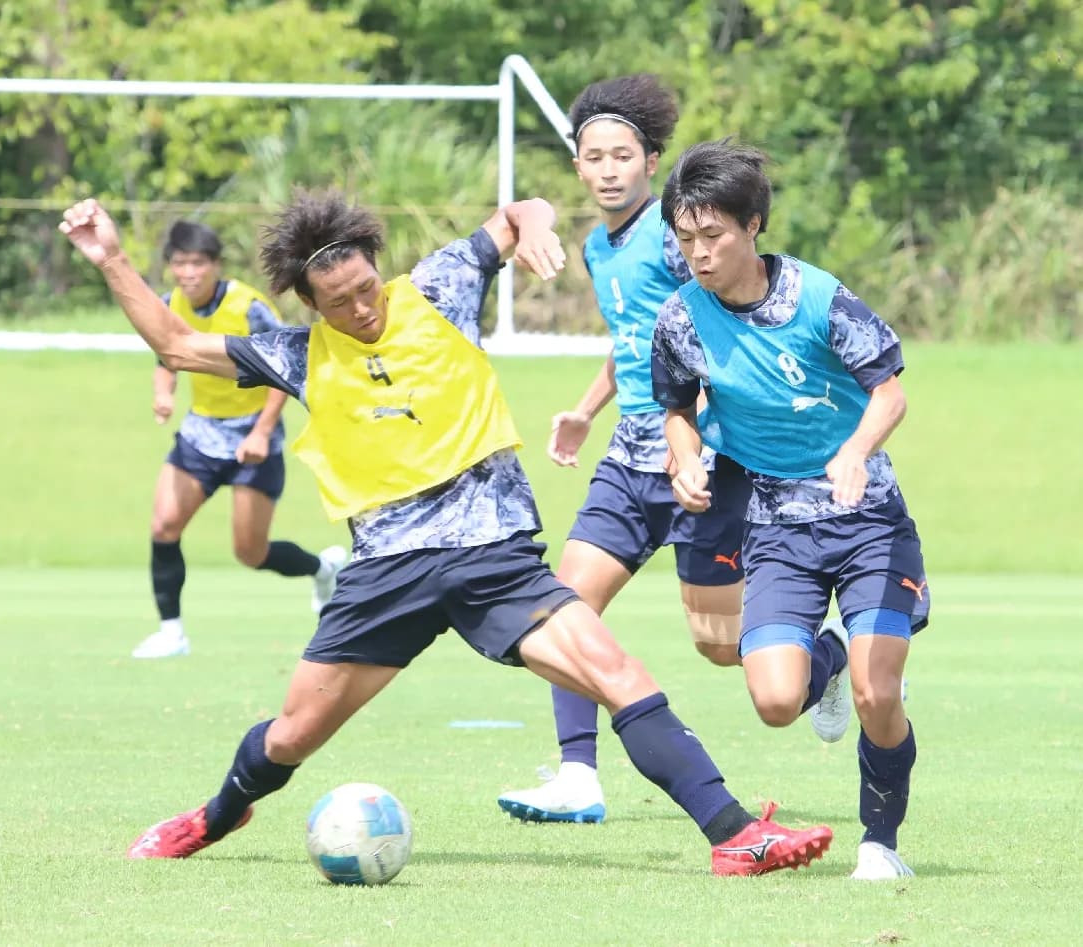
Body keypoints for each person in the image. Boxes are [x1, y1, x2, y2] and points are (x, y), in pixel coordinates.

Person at [59, 191, 832, 877]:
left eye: (366, 288)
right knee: (292, 735)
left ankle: (733, 835)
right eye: (339, 304)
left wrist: (532, 226)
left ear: (376, 267)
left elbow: (520, 210)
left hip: (494, 555)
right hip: (386, 573)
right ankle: (215, 816)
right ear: (311, 305)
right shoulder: (296, 354)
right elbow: (172, 343)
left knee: (615, 668)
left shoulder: (438, 285)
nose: (362, 309)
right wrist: (114, 257)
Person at [651, 140, 929, 880]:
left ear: (753, 225)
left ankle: (880, 844)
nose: (700, 254)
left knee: (880, 693)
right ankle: (826, 660)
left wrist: (856, 450)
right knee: (776, 700)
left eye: (713, 236)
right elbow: (675, 407)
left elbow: (890, 390)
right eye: (685, 240)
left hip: (867, 518)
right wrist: (682, 458)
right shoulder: (679, 318)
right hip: (775, 527)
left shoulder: (816, 297)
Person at [497, 75, 751, 825]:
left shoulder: (676, 239)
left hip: (700, 458)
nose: (608, 168)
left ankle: (827, 662)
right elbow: (634, 342)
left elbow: (712, 336)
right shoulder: (595, 248)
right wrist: (583, 409)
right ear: (577, 166)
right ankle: (579, 774)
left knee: (723, 646)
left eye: (622, 155)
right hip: (626, 457)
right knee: (560, 606)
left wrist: (696, 439)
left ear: (651, 160)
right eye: (594, 156)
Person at [134, 220, 347, 659]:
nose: (188, 273)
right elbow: (166, 356)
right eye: (179, 264)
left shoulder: (248, 305)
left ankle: (323, 568)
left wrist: (263, 430)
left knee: (250, 552)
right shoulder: (168, 303)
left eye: (197, 263)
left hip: (253, 436)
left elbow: (283, 368)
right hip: (201, 432)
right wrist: (162, 393)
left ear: (214, 265)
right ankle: (171, 632)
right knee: (164, 525)